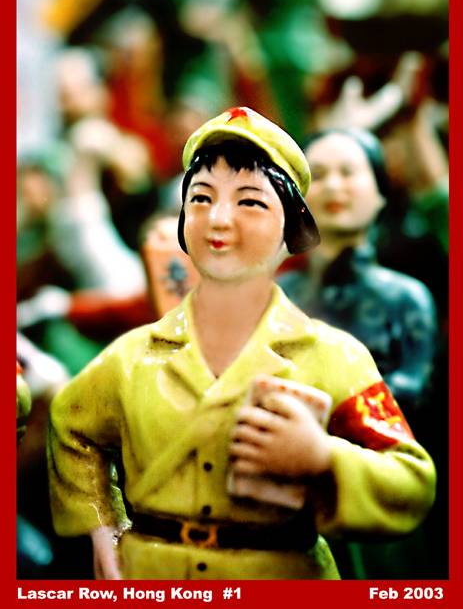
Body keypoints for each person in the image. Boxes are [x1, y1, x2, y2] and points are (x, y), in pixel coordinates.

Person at [47, 106, 435, 580]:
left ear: (291, 229)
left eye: (250, 202)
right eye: (201, 198)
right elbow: (72, 426)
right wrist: (101, 526)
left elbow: (410, 480)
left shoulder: (333, 356)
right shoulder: (135, 356)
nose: (219, 219)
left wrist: (323, 458)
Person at [278, 128, 437, 422]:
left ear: (380, 194)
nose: (333, 186)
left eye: (348, 172)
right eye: (318, 175)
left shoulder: (405, 297)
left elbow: (414, 391)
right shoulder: (278, 294)